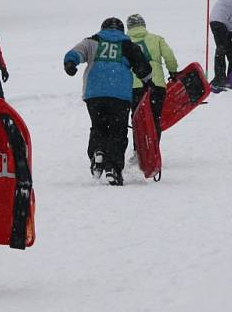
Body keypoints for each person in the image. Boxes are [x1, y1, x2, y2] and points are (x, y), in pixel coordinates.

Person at [63, 17, 153, 186]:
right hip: (119, 95)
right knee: (118, 131)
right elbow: (143, 67)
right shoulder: (127, 45)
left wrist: (70, 64)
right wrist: (148, 81)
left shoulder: (92, 41)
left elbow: (75, 53)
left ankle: (98, 152)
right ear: (121, 31)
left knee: (98, 125)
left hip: (94, 94)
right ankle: (113, 168)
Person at [126, 13, 178, 143]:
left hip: (133, 86)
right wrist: (172, 72)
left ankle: (139, 150)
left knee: (137, 119)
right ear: (143, 25)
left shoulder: (125, 42)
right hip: (156, 84)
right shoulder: (157, 39)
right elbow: (169, 57)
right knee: (155, 117)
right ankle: (154, 148)